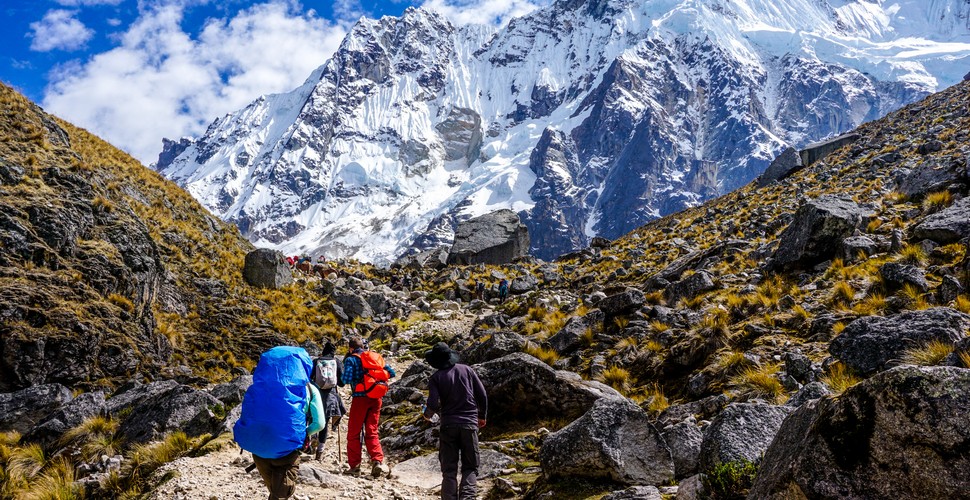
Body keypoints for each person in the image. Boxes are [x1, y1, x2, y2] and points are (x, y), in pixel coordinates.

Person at [234, 346, 324, 500]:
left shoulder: (258, 386)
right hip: (287, 450)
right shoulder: (309, 389)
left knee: (275, 491)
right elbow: (320, 424)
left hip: (258, 449)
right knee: (281, 493)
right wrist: (304, 434)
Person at [423, 343, 488, 500]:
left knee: (449, 470)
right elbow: (482, 395)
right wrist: (482, 416)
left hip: (448, 425)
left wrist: (427, 415)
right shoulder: (467, 370)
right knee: (471, 467)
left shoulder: (436, 378)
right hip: (469, 423)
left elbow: (432, 403)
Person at [341, 337, 396, 477]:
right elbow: (392, 372)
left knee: (354, 432)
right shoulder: (374, 357)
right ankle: (377, 461)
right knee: (372, 431)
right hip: (376, 398)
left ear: (351, 348)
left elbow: (346, 379)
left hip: (360, 399)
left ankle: (355, 466)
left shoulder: (351, 359)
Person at [310, 340, 347, 461]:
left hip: (316, 394)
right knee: (324, 422)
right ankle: (320, 452)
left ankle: (312, 437)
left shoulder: (316, 361)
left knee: (313, 417)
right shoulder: (336, 362)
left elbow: (309, 378)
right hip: (330, 396)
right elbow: (341, 383)